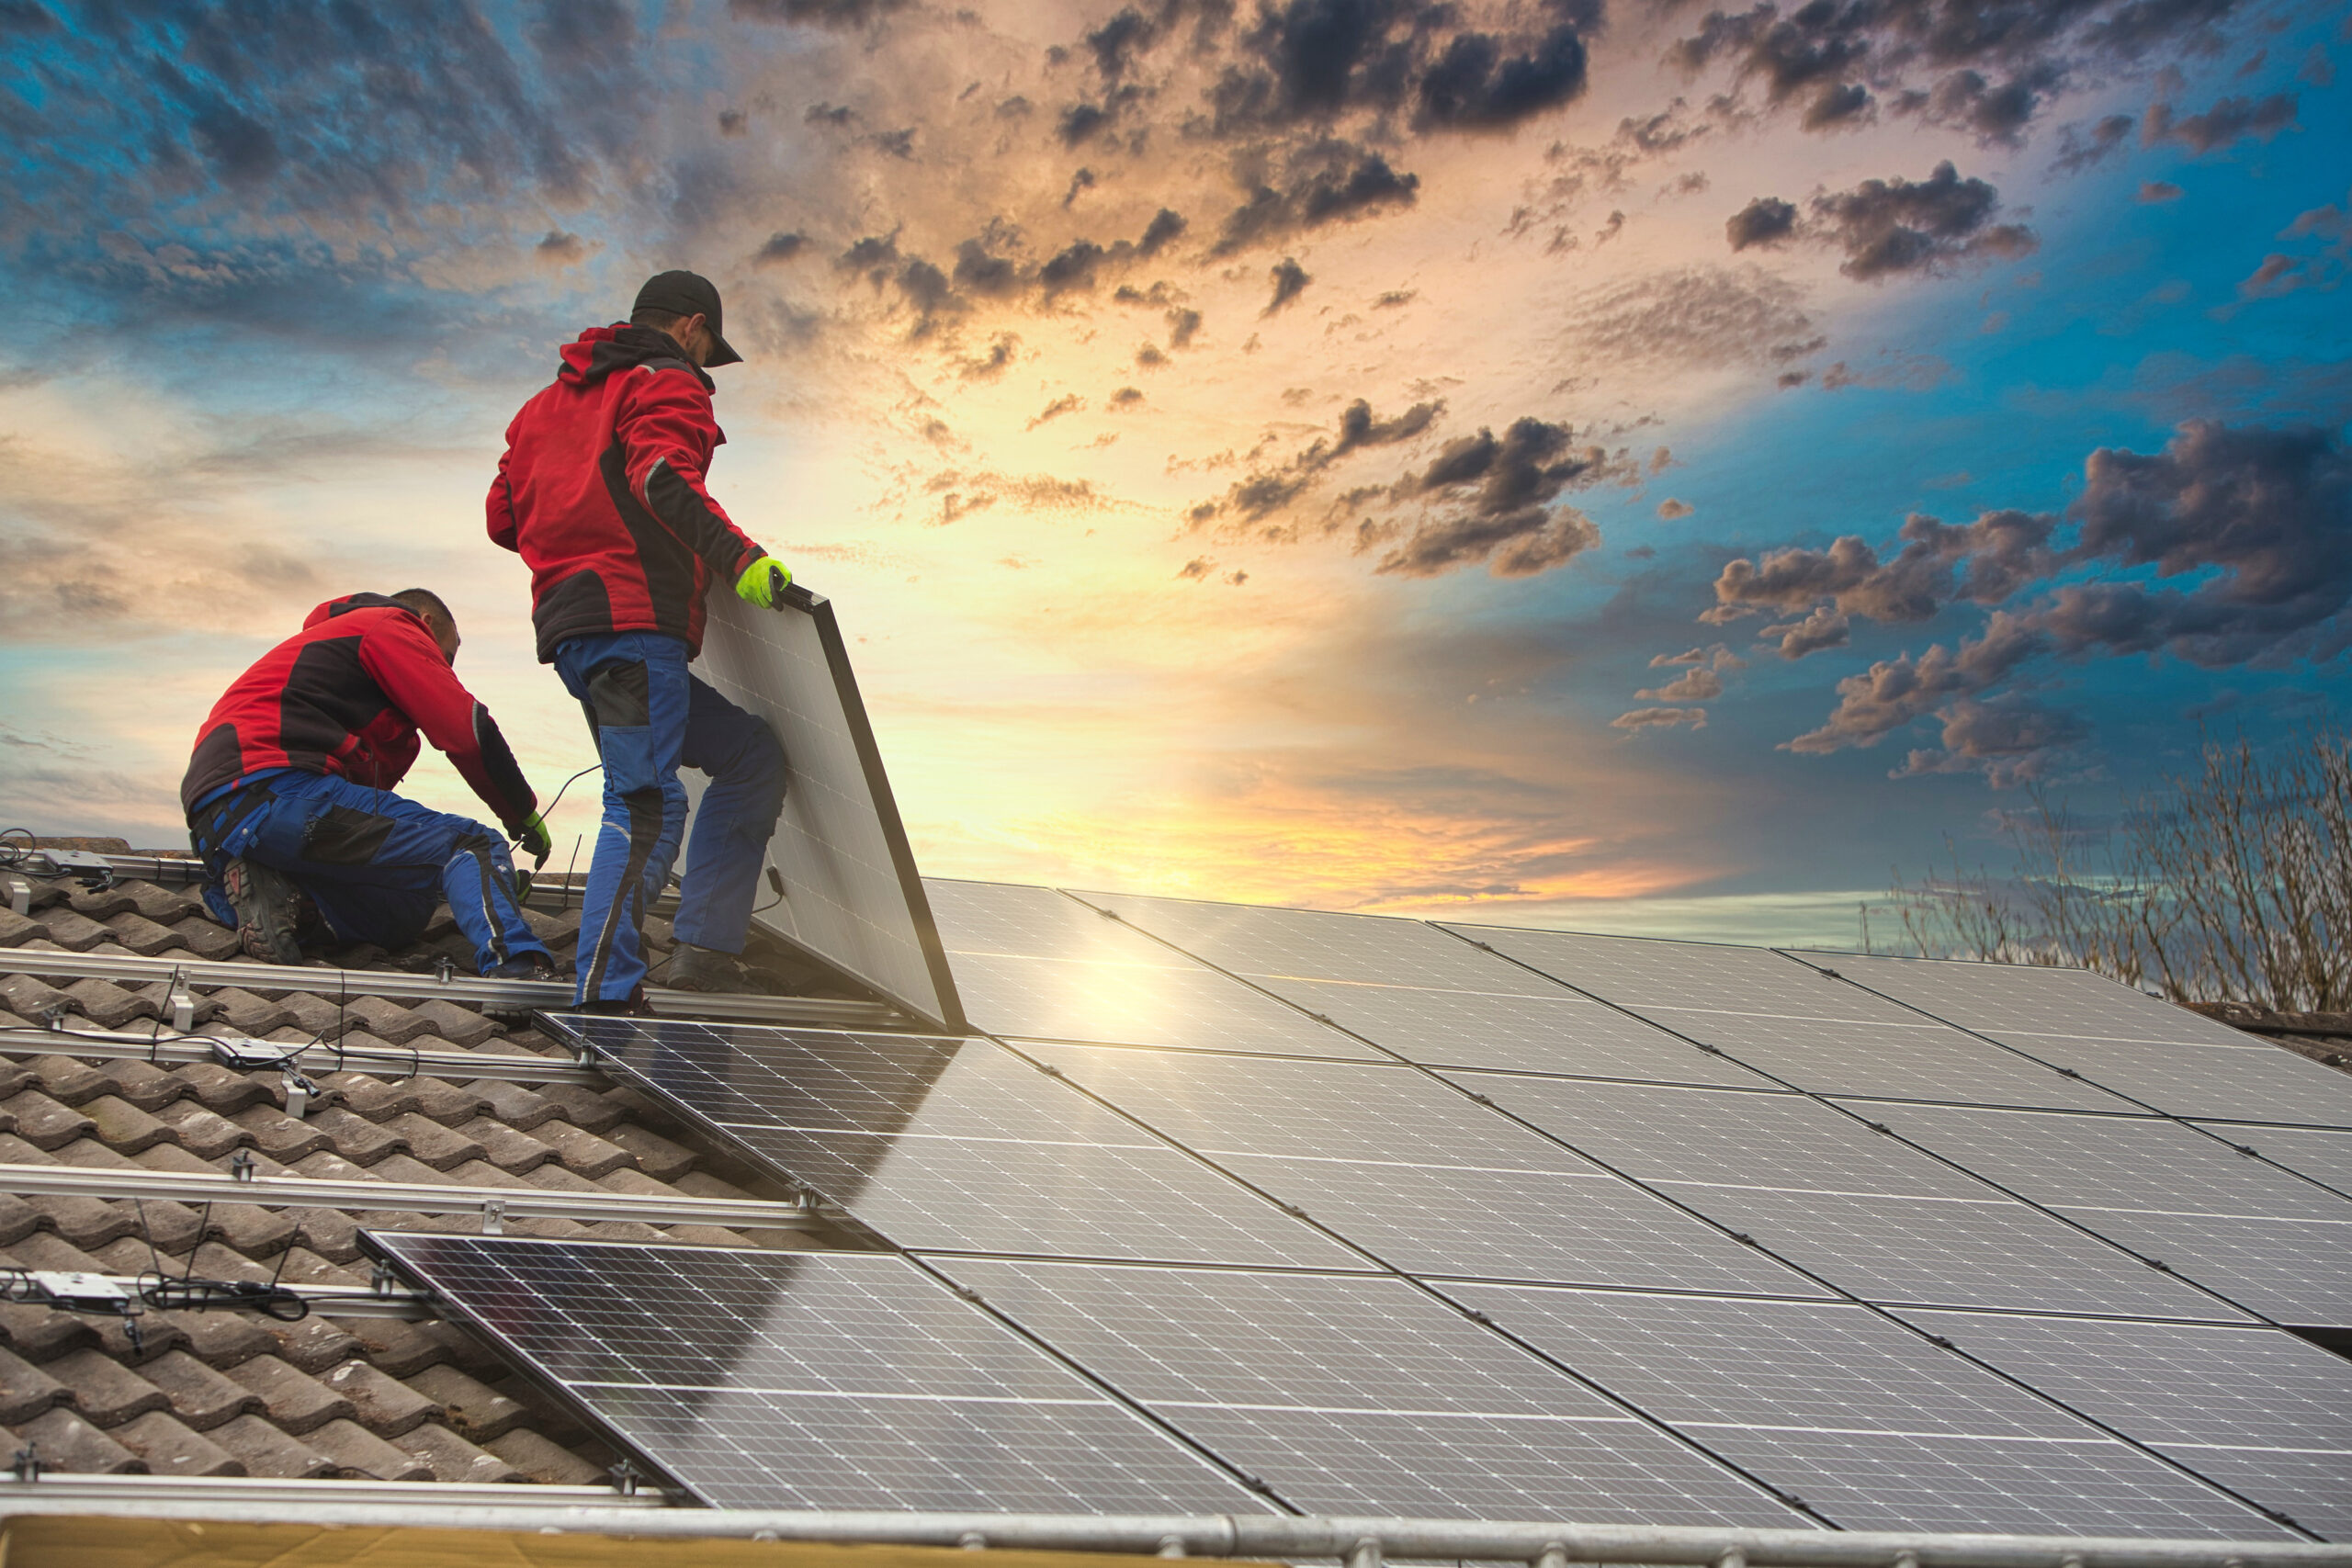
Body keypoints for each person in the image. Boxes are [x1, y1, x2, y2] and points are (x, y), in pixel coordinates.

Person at [488, 269, 794, 1010]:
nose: (705, 365)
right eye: (707, 348)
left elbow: (503, 517)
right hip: (632, 623)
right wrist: (741, 560)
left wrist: (577, 518)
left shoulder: (541, 407)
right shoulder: (666, 379)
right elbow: (662, 475)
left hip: (574, 634)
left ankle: (705, 949)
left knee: (750, 754)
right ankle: (604, 989)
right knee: (648, 805)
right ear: (692, 328)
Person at [181, 589, 559, 979]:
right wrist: (520, 813)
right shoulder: (389, 626)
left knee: (405, 909)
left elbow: (369, 824)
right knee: (472, 844)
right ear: (425, 624)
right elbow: (467, 733)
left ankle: (289, 905)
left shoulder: (331, 661)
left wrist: (486, 886)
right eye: (446, 657)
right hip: (277, 787)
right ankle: (515, 966)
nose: (445, 669)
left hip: (222, 821)